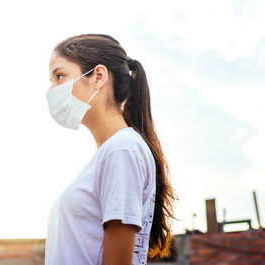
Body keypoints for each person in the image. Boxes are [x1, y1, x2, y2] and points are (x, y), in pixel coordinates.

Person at [44, 34, 177, 265]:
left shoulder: (122, 150)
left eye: (60, 76)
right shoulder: (114, 151)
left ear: (98, 76)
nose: (51, 89)